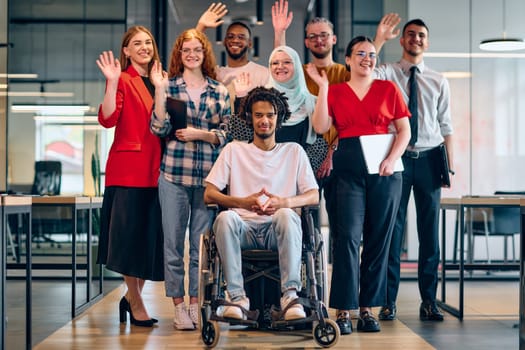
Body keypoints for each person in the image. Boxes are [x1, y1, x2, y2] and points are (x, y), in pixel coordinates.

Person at [306, 36, 411, 334]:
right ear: (348, 59)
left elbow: (404, 130)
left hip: (385, 169)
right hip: (348, 166)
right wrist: (324, 88)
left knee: (379, 240)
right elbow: (321, 127)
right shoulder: (336, 90)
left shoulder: (388, 88)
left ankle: (368, 309)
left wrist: (392, 159)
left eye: (372, 54)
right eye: (361, 54)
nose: (367, 58)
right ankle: (343, 309)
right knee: (347, 238)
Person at [203, 86, 319, 321]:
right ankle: (237, 298)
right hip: (242, 230)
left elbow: (313, 195)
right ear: (249, 118)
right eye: (258, 115)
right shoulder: (233, 150)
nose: (264, 121)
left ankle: (290, 296)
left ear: (279, 118)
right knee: (225, 217)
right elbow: (209, 194)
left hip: (279, 230)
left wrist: (284, 202)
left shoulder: (293, 151)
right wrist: (242, 203)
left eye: (270, 115)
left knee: (286, 214)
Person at [373, 15, 454, 322]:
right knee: (392, 232)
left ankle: (429, 301)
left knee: (429, 234)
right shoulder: (388, 72)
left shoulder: (438, 79)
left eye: (421, 35)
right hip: (397, 158)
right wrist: (379, 37)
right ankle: (388, 301)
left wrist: (450, 165)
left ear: (427, 41)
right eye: (410, 34)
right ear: (402, 40)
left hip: (432, 158)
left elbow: (446, 125)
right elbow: (368, 65)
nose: (416, 39)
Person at [150, 28, 231, 330]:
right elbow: (159, 128)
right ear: (179, 54)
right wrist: (159, 90)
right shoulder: (169, 87)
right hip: (173, 176)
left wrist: (202, 135)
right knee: (173, 245)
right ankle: (178, 306)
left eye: (197, 49)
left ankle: (196, 305)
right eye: (186, 50)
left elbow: (227, 134)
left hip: (208, 181)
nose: (192, 54)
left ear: (204, 53)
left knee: (201, 247)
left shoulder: (219, 90)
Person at [95, 26, 164, 328]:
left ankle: (131, 296)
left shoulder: (162, 81)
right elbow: (108, 119)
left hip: (160, 171)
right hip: (129, 170)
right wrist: (111, 83)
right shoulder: (123, 79)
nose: (144, 47)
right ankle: (135, 302)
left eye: (148, 42)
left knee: (147, 239)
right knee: (127, 240)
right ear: (126, 51)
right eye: (136, 43)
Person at [271, 0, 350, 263]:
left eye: (323, 35)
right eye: (312, 36)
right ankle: (306, 277)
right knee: (307, 222)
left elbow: (348, 119)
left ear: (333, 39)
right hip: (305, 159)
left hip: (338, 157)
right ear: (306, 42)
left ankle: (339, 294)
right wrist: (279, 33)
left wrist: (331, 151)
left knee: (341, 227)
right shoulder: (299, 72)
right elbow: (279, 72)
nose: (318, 41)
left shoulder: (345, 73)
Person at [196, 3, 270, 136]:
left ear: (250, 43)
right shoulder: (217, 74)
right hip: (220, 143)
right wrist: (201, 26)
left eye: (241, 37)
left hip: (251, 144)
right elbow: (193, 59)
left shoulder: (263, 73)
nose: (235, 40)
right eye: (230, 36)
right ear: (224, 42)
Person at [267, 45, 325, 173]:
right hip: (266, 174)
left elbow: (319, 143)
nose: (280, 66)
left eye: (287, 62)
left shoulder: (313, 102)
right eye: (275, 63)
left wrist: (298, 173)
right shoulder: (261, 101)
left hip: (301, 175)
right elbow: (246, 139)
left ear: (297, 66)